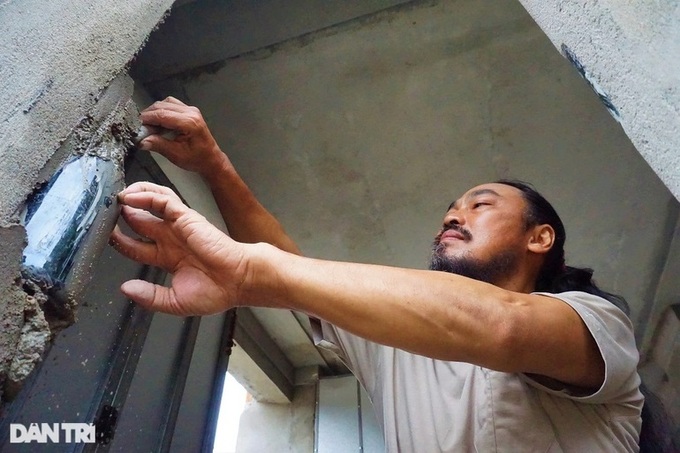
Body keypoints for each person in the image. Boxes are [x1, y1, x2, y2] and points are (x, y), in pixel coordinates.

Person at [111, 97, 644, 452]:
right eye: (450, 208)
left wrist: (255, 273)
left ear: (540, 237)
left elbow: (504, 326)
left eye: (480, 204)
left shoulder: (598, 326)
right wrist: (213, 165)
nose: (452, 215)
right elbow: (290, 269)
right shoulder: (395, 345)